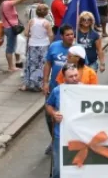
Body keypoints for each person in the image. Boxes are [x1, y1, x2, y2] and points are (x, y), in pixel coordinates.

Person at [42, 25, 75, 155]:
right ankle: (54, 140)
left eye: (72, 34)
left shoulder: (77, 49)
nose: (71, 37)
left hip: (71, 92)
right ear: (61, 36)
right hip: (54, 88)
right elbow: (48, 63)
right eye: (67, 34)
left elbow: (84, 68)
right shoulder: (54, 47)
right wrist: (45, 82)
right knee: (50, 116)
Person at [45, 65, 80, 178]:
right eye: (71, 77)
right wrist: (54, 114)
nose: (74, 78)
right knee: (58, 169)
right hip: (61, 135)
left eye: (76, 75)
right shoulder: (57, 91)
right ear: (64, 78)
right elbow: (48, 105)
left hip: (79, 135)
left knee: (78, 166)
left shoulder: (86, 90)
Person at [1, 0, 36, 71]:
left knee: (14, 45)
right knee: (10, 47)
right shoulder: (8, 3)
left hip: (8, 27)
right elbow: (21, 0)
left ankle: (15, 63)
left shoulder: (4, 3)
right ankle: (10, 67)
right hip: (10, 28)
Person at [22, 4, 54, 92]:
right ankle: (41, 84)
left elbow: (25, 33)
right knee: (42, 64)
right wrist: (51, 43)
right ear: (46, 13)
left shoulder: (31, 21)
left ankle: (27, 83)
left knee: (30, 64)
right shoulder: (46, 23)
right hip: (43, 45)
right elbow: (50, 35)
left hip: (32, 44)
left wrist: (32, 35)